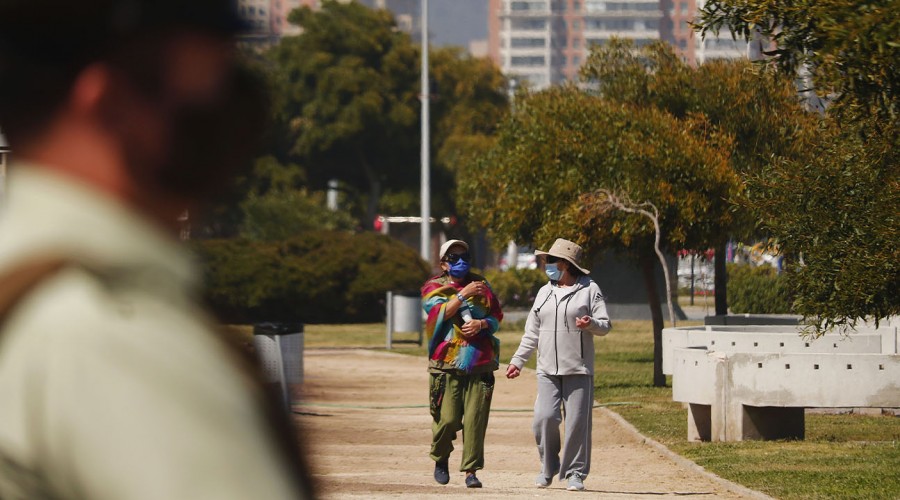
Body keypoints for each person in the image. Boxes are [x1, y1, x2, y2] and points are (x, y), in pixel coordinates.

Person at [0, 1, 313, 498]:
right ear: (110, 105)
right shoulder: (116, 340)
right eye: (216, 97)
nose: (233, 126)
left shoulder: (21, 284)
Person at [506, 238, 612, 492]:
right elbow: (532, 332)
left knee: (576, 424)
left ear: (565, 263)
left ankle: (575, 472)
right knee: (544, 418)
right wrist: (518, 361)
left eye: (550, 261)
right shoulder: (544, 292)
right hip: (547, 370)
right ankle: (549, 466)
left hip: (578, 369)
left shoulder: (589, 289)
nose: (546, 265)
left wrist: (591, 324)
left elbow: (605, 325)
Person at [421, 239, 503, 488]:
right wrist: (462, 294)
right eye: (454, 257)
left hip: (480, 361)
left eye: (464, 257)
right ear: (443, 264)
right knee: (446, 419)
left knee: (476, 419)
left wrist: (483, 324)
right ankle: (441, 457)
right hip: (446, 363)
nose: (461, 262)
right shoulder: (434, 286)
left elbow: (496, 315)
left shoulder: (481, 284)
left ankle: (471, 470)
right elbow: (437, 314)